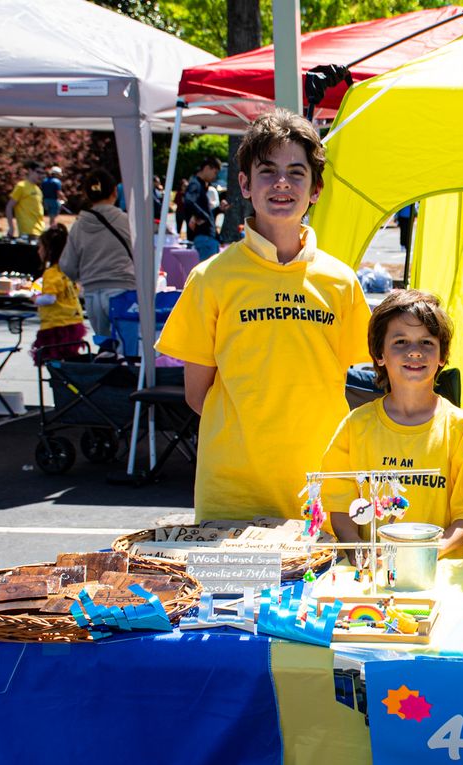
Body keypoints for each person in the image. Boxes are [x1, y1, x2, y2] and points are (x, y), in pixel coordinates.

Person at [157, 109, 372, 523]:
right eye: (267, 171)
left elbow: (343, 379)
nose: (281, 184)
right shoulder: (210, 279)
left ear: (316, 189)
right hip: (232, 488)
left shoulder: (341, 281)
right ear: (244, 184)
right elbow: (196, 394)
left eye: (296, 172)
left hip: (321, 485)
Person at [322, 290, 463, 559]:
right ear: (379, 354)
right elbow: (338, 504)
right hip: (372, 579)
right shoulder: (355, 425)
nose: (414, 352)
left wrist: (426, 554)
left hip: (442, 579)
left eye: (426, 343)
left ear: (442, 355)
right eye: (400, 342)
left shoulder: (462, 429)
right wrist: (355, 547)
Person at [59, 168, 137, 340]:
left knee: (105, 347)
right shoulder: (127, 222)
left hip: (92, 293)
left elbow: (67, 267)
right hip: (123, 290)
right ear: (115, 192)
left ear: (87, 194)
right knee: (127, 348)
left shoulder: (79, 226)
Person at [30, 224, 86, 365]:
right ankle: (67, 381)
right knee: (69, 358)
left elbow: (50, 298)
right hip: (74, 323)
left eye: (40, 247)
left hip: (56, 326)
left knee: (53, 358)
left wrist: (35, 299)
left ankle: (59, 378)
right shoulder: (67, 270)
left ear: (49, 250)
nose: (38, 251)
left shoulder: (51, 273)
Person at [182, 156, 223, 260]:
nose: (215, 177)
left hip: (208, 237)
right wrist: (203, 216)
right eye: (215, 172)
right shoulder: (195, 184)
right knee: (209, 274)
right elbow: (189, 200)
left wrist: (218, 210)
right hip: (204, 237)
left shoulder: (201, 186)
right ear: (207, 168)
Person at [5, 159, 46, 238]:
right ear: (30, 171)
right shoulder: (21, 186)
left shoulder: (38, 189)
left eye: (42, 173)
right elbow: (9, 207)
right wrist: (11, 227)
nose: (40, 175)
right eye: (38, 172)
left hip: (40, 231)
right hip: (27, 231)